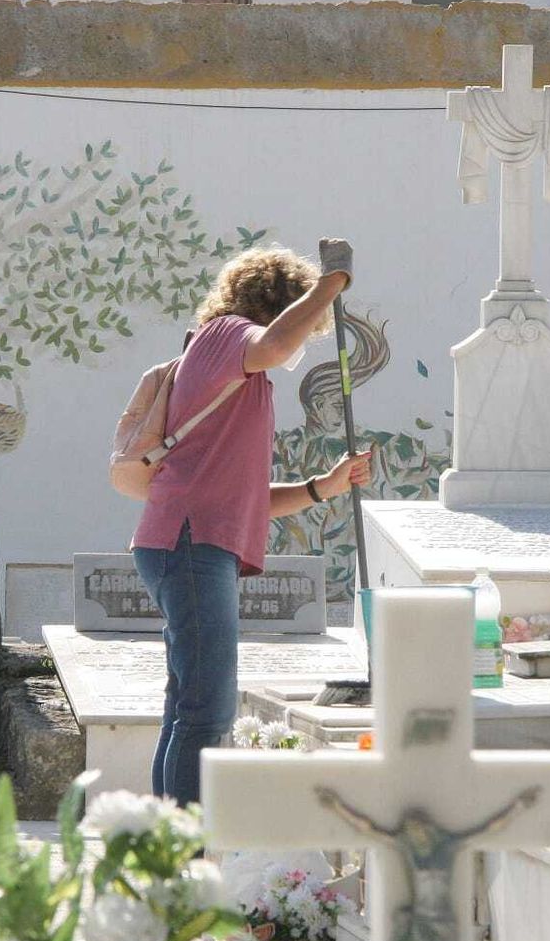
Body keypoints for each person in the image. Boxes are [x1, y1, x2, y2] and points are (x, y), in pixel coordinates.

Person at [131, 240, 374, 804]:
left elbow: (244, 498)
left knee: (189, 708)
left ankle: (168, 844)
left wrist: (323, 488)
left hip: (186, 539)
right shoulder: (225, 337)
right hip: (190, 543)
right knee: (207, 712)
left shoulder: (238, 376)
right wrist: (330, 285)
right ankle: (186, 856)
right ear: (277, 302)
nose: (299, 348)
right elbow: (276, 341)